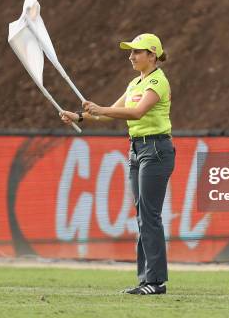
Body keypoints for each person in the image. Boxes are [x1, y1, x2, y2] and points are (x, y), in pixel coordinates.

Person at [60, 33, 175, 295]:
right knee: (143, 216)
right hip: (137, 149)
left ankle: (155, 282)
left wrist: (99, 109)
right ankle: (147, 279)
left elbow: (135, 112)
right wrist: (79, 116)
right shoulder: (135, 82)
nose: (131, 56)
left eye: (137, 52)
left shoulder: (158, 81)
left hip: (156, 149)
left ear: (152, 55)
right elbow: (108, 113)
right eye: (131, 51)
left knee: (150, 216)